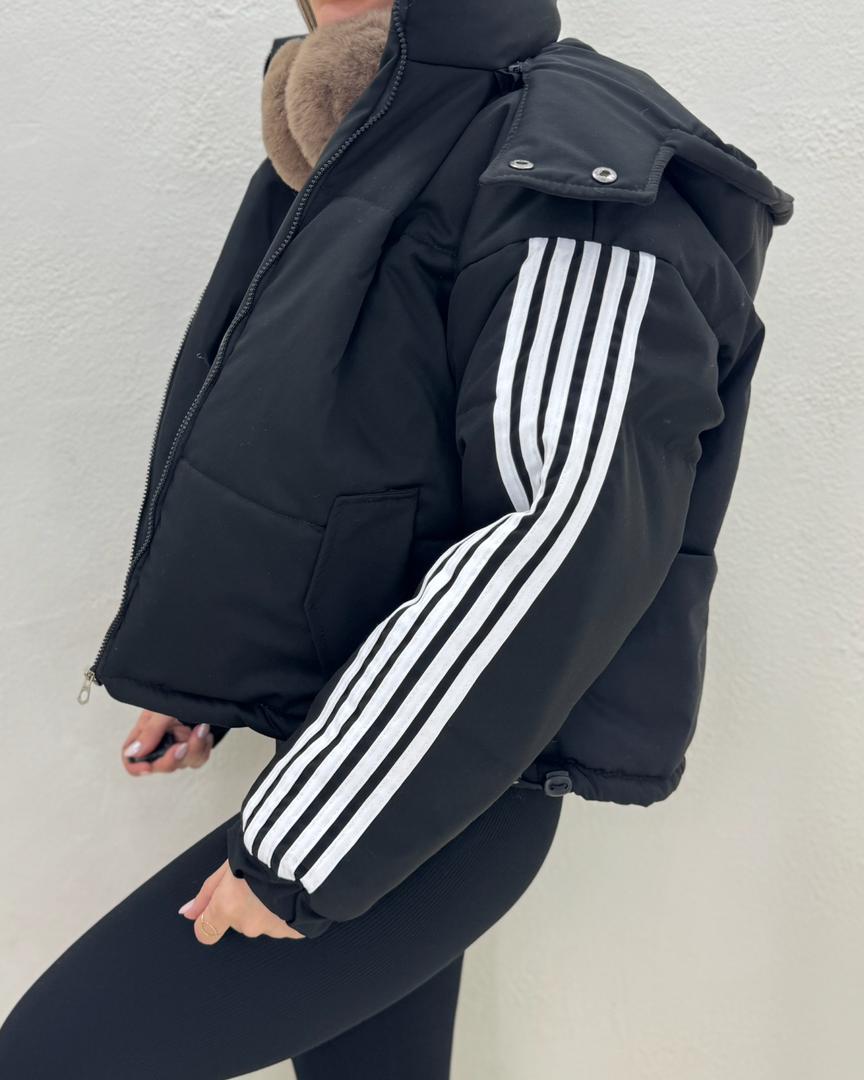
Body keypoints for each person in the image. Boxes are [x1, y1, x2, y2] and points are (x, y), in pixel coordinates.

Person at [0, 0, 794, 1076]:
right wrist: (217, 680)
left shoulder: (576, 171)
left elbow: (558, 540)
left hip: (433, 795)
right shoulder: (365, 141)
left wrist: (305, 847)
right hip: (357, 751)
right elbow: (341, 460)